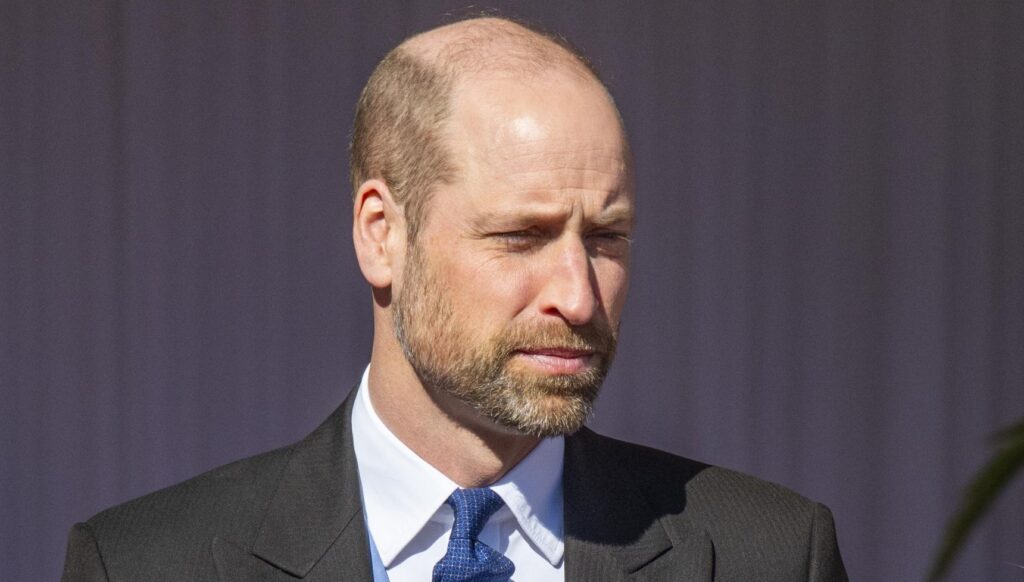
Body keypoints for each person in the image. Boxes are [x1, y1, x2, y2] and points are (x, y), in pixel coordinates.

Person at [61, 16, 848, 582]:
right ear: (382, 235)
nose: (579, 296)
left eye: (606, 238)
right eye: (520, 236)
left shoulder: (770, 555)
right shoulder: (145, 563)